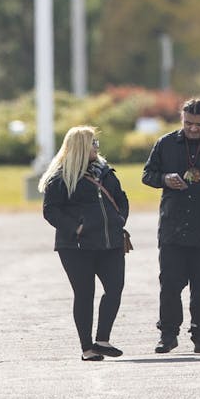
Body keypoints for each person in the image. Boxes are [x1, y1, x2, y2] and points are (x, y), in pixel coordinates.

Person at [141, 97, 200, 354]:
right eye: (188, 123)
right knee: (170, 285)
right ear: (181, 120)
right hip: (174, 226)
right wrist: (164, 178)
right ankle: (168, 335)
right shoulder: (166, 143)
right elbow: (147, 175)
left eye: (199, 124)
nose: (193, 129)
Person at [40, 126, 130, 361]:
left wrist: (120, 220)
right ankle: (87, 348)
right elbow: (50, 210)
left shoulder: (106, 172)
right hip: (76, 247)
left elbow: (121, 198)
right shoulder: (61, 177)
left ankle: (102, 340)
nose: (97, 147)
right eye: (93, 143)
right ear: (81, 147)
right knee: (84, 294)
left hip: (110, 242)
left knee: (115, 288)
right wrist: (76, 227)